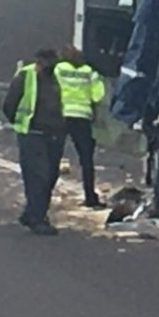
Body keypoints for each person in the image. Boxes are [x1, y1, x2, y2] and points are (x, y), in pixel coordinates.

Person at [3, 47, 65, 235]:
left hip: (55, 134)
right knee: (38, 176)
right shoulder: (26, 76)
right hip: (32, 133)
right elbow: (9, 104)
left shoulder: (59, 76)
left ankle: (31, 213)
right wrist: (20, 124)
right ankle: (38, 219)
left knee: (50, 176)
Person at [53, 45, 107, 208]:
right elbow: (98, 95)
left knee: (53, 157)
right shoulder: (89, 72)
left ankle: (44, 196)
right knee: (86, 160)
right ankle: (90, 197)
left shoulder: (59, 69)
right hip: (82, 117)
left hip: (61, 116)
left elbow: (52, 88)